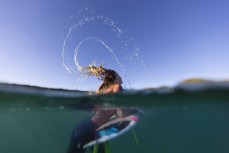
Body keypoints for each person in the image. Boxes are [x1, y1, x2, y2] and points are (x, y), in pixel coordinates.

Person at [66, 65, 124, 153]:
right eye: (119, 76)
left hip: (89, 129)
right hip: (87, 129)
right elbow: (122, 114)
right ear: (115, 78)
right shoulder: (117, 88)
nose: (121, 77)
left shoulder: (109, 90)